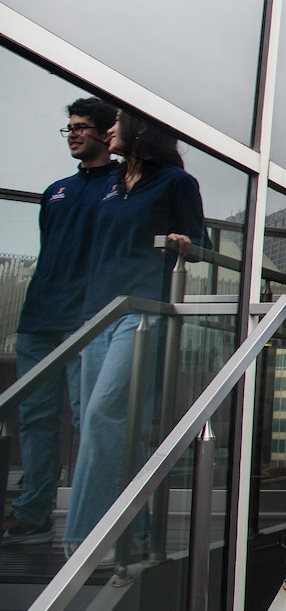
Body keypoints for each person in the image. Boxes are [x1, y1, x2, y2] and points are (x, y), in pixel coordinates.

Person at [63, 110, 206, 560]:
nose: (108, 130)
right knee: (99, 425)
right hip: (96, 315)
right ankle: (138, 530)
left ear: (141, 131)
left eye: (117, 122)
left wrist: (184, 244)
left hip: (142, 311)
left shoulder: (176, 184)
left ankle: (85, 537)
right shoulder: (107, 185)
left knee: (105, 416)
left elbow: (200, 246)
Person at [3, 98, 119, 546]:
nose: (73, 134)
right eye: (69, 127)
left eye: (83, 127)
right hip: (39, 320)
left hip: (87, 319)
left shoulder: (124, 186)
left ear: (106, 134)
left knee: (85, 415)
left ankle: (94, 518)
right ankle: (31, 512)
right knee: (34, 417)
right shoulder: (55, 192)